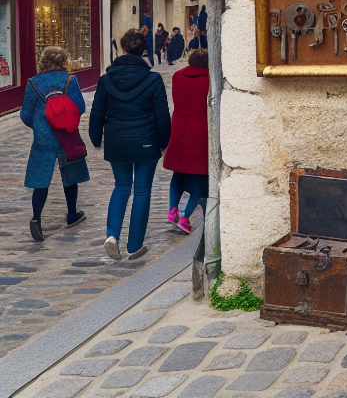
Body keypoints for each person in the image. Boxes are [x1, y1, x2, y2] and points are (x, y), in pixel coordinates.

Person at [89, 28, 171, 261]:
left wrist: (96, 138)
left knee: (122, 186)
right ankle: (134, 245)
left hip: (117, 140)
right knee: (142, 191)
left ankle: (112, 234)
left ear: (123, 49)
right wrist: (164, 142)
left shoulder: (106, 80)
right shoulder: (153, 80)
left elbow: (97, 112)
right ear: (143, 50)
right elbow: (162, 115)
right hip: (146, 140)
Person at [20, 47, 88, 241]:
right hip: (66, 134)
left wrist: (40, 124)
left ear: (43, 62)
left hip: (43, 136)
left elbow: (25, 114)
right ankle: (72, 213)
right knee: (70, 173)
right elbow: (80, 107)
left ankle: (36, 220)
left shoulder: (33, 83)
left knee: (41, 179)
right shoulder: (69, 80)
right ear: (63, 62)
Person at [163, 48, 209, 234]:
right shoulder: (208, 81)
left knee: (178, 173)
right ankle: (185, 216)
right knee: (200, 180)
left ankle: (172, 209)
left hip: (179, 127)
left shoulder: (177, 77)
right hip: (199, 130)